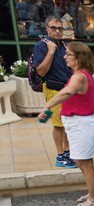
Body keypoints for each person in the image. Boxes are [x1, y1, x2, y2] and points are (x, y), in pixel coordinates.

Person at [37, 42, 94, 206]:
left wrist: (47, 106)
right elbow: (76, 98)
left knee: (84, 164)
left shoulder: (79, 76)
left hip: (82, 125)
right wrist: (63, 110)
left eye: (68, 54)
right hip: (78, 123)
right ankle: (93, 193)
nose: (65, 57)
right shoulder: (81, 74)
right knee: (83, 163)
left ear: (79, 57)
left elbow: (67, 92)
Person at [33, 15, 75, 168]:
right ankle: (61, 156)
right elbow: (41, 72)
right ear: (47, 29)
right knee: (58, 124)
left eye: (60, 28)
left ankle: (68, 152)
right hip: (53, 89)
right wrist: (50, 52)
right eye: (54, 28)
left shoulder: (63, 45)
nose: (57, 31)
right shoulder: (42, 46)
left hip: (65, 89)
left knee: (66, 123)